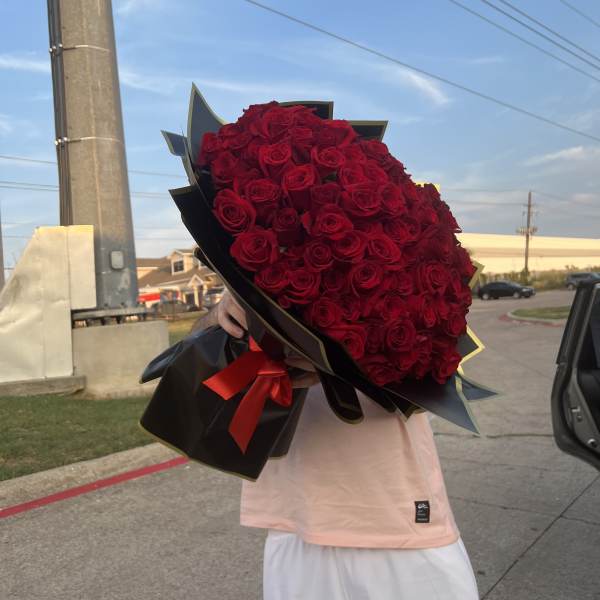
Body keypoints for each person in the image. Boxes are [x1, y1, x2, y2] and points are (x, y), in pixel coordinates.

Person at [198, 290, 479, 600]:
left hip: (395, 519)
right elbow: (200, 356)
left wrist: (339, 364)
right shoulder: (248, 270)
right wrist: (220, 314)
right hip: (295, 519)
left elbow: (439, 370)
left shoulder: (410, 274)